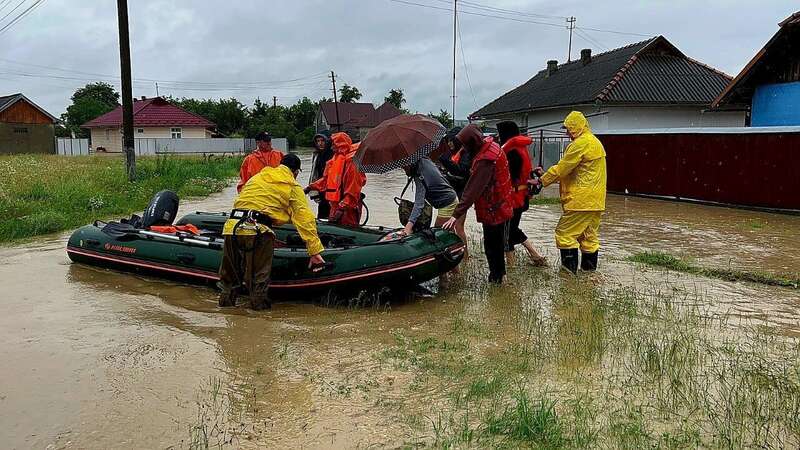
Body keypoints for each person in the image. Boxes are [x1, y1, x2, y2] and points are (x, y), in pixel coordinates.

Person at [219, 153, 325, 310]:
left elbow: (253, 201)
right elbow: (305, 220)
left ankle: (225, 309)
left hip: (232, 228)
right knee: (259, 279)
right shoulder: (291, 185)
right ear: (296, 172)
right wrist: (314, 251)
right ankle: (259, 316)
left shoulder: (258, 177)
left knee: (229, 279)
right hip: (258, 231)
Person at [532, 111, 607, 274]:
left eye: (569, 129)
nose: (567, 133)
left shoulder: (580, 144)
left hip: (580, 201)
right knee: (589, 238)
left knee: (565, 234)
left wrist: (541, 181)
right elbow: (576, 172)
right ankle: (588, 276)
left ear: (577, 127)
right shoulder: (595, 142)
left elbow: (563, 168)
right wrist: (545, 174)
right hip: (596, 202)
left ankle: (568, 278)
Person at [443, 124, 514, 284]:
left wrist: (455, 215)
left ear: (472, 142)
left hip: (494, 207)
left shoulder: (485, 159)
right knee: (497, 244)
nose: (464, 148)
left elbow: (473, 189)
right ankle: (500, 276)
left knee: (492, 246)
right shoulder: (492, 146)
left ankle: (497, 278)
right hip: (501, 203)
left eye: (465, 144)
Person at [496, 121, 547, 267]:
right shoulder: (520, 148)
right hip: (521, 197)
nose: (498, 137)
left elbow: (510, 177)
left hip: (513, 199)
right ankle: (536, 256)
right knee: (512, 229)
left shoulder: (511, 152)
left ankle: (511, 267)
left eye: (500, 134)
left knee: (506, 234)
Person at [305, 132, 366, 227]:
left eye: (334, 144)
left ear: (340, 145)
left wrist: (342, 208)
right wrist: (310, 187)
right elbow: (326, 180)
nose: (331, 146)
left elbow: (353, 190)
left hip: (348, 208)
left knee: (347, 230)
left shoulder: (352, 163)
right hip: (334, 205)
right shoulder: (334, 160)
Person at [400, 157, 464, 243]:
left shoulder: (419, 176)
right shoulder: (424, 159)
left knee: (438, 236)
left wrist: (408, 227)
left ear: (410, 163)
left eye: (404, 167)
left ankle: (460, 250)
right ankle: (463, 251)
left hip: (447, 203)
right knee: (453, 233)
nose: (404, 170)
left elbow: (419, 204)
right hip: (451, 196)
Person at [308, 130, 334, 219]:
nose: (320, 143)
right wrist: (314, 192)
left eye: (322, 141)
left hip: (332, 192)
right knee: (322, 216)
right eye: (318, 141)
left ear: (328, 141)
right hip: (321, 191)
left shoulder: (334, 155)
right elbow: (314, 174)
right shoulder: (316, 155)